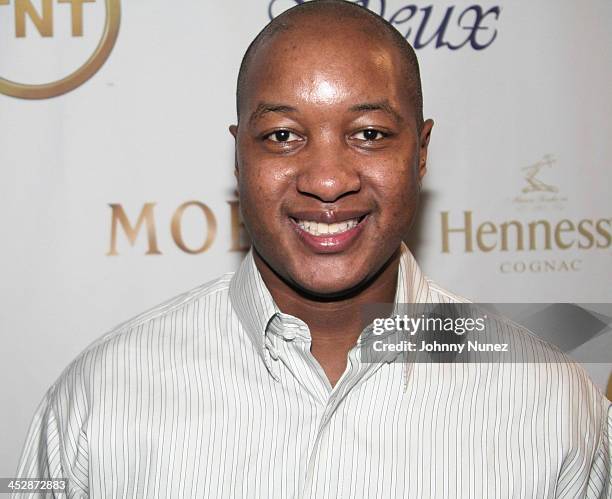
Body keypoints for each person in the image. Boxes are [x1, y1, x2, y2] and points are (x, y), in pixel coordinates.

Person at [15, 1, 610, 497]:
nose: (327, 180)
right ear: (240, 154)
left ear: (421, 152)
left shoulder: (549, 401)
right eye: (282, 136)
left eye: (369, 134)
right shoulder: (101, 395)